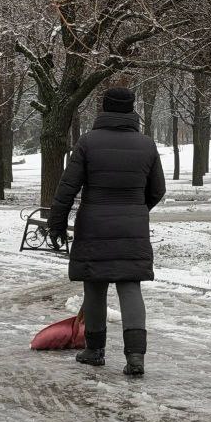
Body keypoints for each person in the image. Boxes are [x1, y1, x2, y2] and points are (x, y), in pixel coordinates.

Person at [47, 87, 166, 376]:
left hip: (94, 225)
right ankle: (135, 356)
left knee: (94, 286)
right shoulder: (147, 145)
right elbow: (158, 189)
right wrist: (136, 210)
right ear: (131, 110)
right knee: (130, 286)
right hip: (132, 227)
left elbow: (67, 188)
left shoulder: (88, 142)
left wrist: (57, 224)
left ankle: (94, 350)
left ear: (104, 108)